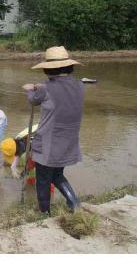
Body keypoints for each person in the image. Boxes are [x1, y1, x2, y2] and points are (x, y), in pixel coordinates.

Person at [23, 46, 84, 215]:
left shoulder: (45, 89)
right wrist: (39, 87)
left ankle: (44, 213)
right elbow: (58, 93)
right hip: (68, 142)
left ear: (48, 69)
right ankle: (74, 203)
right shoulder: (79, 86)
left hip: (48, 144)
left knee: (42, 180)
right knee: (57, 175)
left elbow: (34, 101)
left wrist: (29, 89)